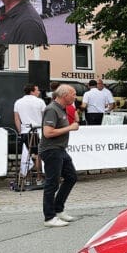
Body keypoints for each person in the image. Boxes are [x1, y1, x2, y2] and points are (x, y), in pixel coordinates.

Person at [39, 84, 79, 227]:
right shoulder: (52, 109)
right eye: (73, 94)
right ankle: (49, 217)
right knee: (52, 183)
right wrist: (70, 127)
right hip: (51, 150)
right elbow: (48, 133)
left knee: (71, 177)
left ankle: (58, 209)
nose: (75, 97)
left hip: (60, 149)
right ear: (64, 95)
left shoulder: (62, 108)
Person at [14, 83, 46, 183]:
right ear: (32, 91)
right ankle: (39, 178)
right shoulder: (40, 101)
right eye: (37, 90)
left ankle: (27, 179)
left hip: (25, 131)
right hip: (38, 131)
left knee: (26, 155)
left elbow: (17, 119)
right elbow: (45, 117)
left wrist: (20, 132)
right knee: (38, 155)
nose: (39, 92)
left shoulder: (18, 102)